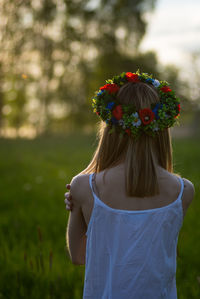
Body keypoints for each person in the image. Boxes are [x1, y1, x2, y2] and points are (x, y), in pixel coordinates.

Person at [64, 71, 195, 298]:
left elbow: (79, 256)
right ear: (162, 130)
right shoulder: (183, 191)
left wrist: (81, 210)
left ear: (109, 130)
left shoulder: (85, 187)